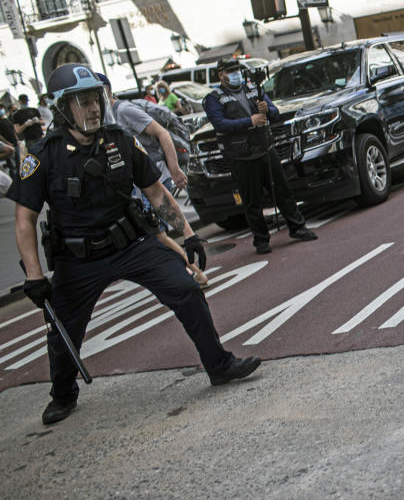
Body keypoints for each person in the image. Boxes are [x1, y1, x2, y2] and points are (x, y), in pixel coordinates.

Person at [9, 64, 261, 425]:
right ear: (63, 107)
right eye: (82, 101)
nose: (94, 107)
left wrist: (188, 234)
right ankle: (63, 394)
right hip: (78, 258)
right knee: (64, 328)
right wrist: (34, 276)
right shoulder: (43, 155)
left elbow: (156, 194)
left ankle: (219, 365)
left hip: (131, 243)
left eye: (95, 98)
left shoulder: (119, 139)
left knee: (185, 289)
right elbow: (24, 219)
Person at [203, 57, 317, 254]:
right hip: (240, 155)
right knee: (251, 199)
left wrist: (267, 109)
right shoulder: (214, 98)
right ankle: (261, 240)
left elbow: (275, 113)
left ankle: (297, 227)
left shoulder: (253, 88)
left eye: (237, 69)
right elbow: (220, 124)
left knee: (281, 189)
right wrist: (250, 121)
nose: (235, 73)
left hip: (264, 147)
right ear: (221, 75)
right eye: (230, 71)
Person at [102, 74, 187, 193]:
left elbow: (162, 133)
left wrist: (175, 169)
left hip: (156, 178)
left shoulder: (124, 110)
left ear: (105, 90)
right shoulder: (105, 116)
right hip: (137, 183)